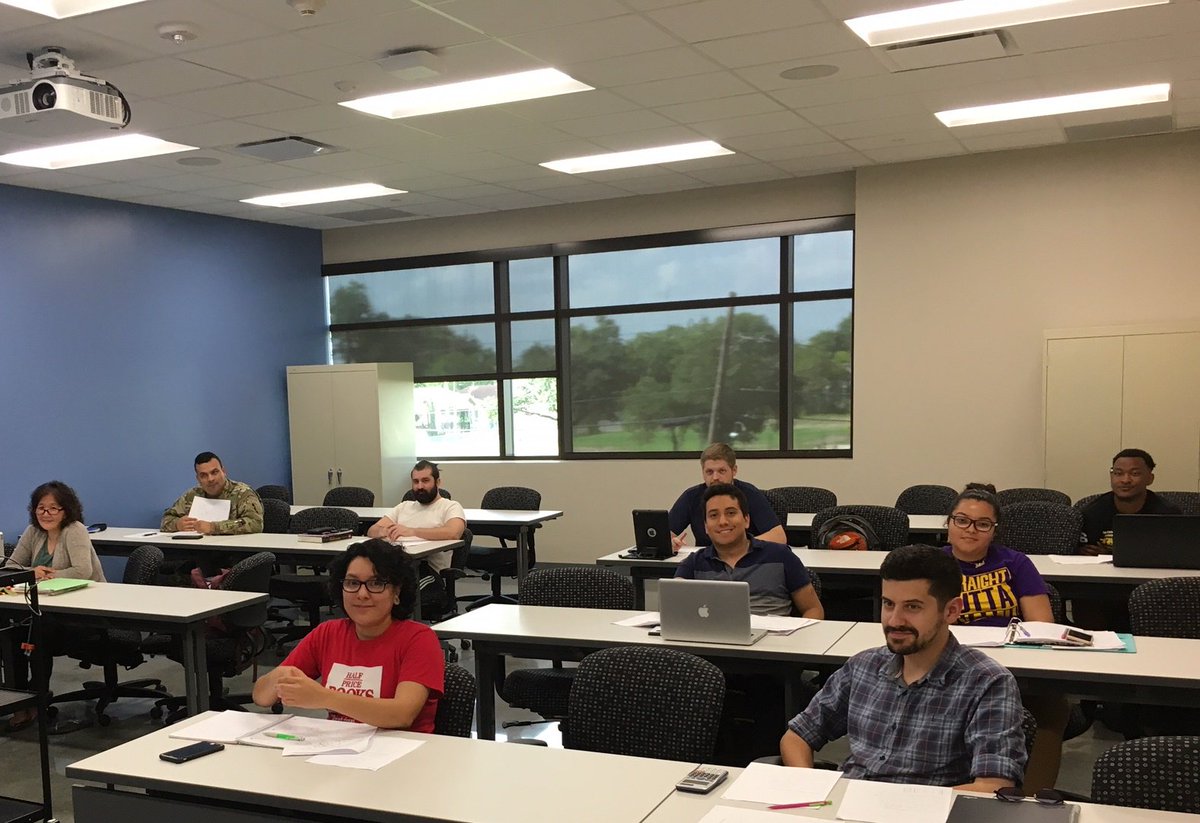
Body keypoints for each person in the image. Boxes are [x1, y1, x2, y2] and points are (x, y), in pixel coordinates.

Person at [781, 544, 1026, 792]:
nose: (895, 620)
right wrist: (810, 790)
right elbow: (797, 736)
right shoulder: (863, 666)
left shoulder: (988, 682)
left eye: (912, 607)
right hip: (846, 805)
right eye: (888, 604)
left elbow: (994, 784)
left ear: (951, 611)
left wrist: (900, 808)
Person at [943, 483, 1067, 794]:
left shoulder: (1015, 562)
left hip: (1010, 663)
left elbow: (1042, 624)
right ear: (949, 524)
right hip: (947, 663)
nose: (971, 530)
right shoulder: (931, 564)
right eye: (962, 520)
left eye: (982, 524)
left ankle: (1032, 798)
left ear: (994, 531)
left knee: (1054, 706)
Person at [252, 539, 444, 731]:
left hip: (405, 752)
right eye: (352, 583)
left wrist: (323, 697)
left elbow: (401, 715)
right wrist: (279, 677)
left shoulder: (419, 639)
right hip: (341, 749)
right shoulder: (328, 633)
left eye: (376, 583)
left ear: (397, 592)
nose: (361, 594)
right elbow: (261, 697)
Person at [4, 481, 106, 731]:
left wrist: (49, 575)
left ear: (66, 510)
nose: (46, 514)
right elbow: (14, 567)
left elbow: (83, 571)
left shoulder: (75, 530)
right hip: (43, 607)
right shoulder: (33, 531)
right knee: (10, 631)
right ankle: (19, 699)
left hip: (82, 614)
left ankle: (37, 696)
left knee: (38, 631)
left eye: (53, 509)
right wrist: (33, 571)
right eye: (41, 509)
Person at [675, 483, 822, 619]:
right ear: (706, 526)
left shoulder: (780, 555)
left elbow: (813, 609)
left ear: (746, 520)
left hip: (772, 642)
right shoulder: (693, 564)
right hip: (711, 640)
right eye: (714, 515)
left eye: (731, 513)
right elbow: (673, 608)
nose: (723, 522)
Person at [669, 442, 786, 551]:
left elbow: (779, 537)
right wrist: (671, 543)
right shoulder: (691, 497)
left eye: (721, 471)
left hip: (745, 561)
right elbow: (662, 536)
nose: (715, 477)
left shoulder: (749, 494)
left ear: (734, 470)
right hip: (705, 564)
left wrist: (740, 547)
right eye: (709, 472)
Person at [366, 460, 466, 575]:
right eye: (416, 481)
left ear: (438, 482)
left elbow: (453, 533)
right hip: (395, 567)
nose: (420, 486)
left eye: (425, 481)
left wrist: (412, 531)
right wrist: (385, 531)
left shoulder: (450, 506)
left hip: (428, 573)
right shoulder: (404, 506)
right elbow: (372, 530)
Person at [1078, 448, 1181, 555]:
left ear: (1150, 478)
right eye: (1118, 473)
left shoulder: (1168, 514)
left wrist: (1113, 555)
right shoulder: (1091, 512)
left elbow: (1173, 554)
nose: (1125, 480)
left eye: (1135, 473)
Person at [161, 451, 264, 535]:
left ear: (223, 471)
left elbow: (256, 524)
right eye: (203, 475)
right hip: (198, 549)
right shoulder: (191, 495)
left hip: (234, 551)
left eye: (214, 472)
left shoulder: (243, 493)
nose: (210, 479)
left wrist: (214, 527)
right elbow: (166, 520)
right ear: (198, 478)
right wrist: (177, 524)